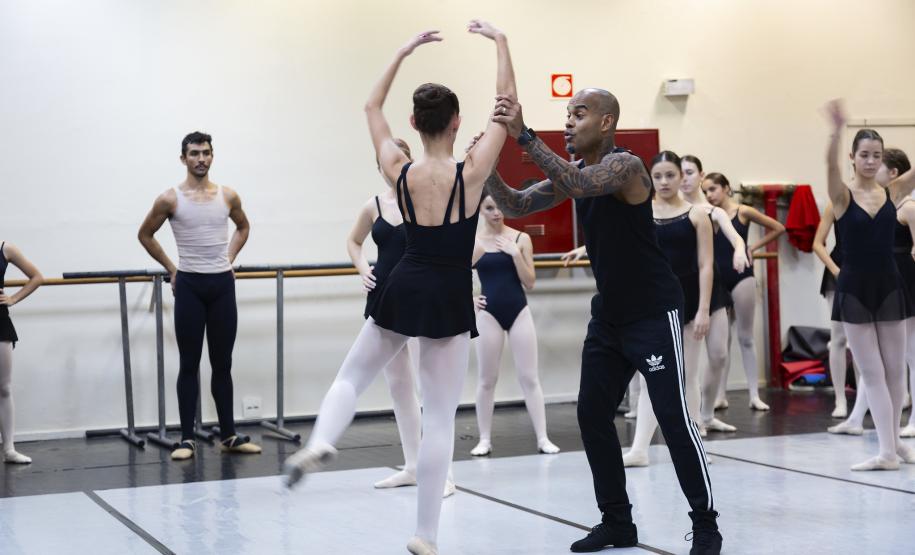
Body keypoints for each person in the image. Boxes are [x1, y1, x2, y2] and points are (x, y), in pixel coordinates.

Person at [283, 21, 515, 555]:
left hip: (402, 281)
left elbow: (370, 107)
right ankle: (425, 535)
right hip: (450, 290)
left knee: (351, 377)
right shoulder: (472, 172)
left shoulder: (398, 171)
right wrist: (501, 43)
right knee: (438, 419)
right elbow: (506, 102)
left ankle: (321, 441)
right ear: (457, 124)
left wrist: (403, 51)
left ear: (414, 122)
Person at [487, 89, 721, 554]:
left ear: (608, 121)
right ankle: (617, 522)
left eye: (579, 114)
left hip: (654, 313)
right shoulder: (576, 174)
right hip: (610, 318)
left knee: (675, 421)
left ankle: (707, 525)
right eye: (566, 115)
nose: (569, 122)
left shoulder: (628, 167)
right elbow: (514, 204)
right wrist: (487, 163)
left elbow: (578, 185)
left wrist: (526, 136)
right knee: (592, 415)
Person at [138, 131, 261, 460]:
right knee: (189, 364)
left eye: (206, 153)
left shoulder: (228, 195)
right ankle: (187, 439)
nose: (201, 159)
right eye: (194, 153)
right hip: (190, 286)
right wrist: (171, 268)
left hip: (221, 286)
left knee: (223, 364)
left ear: (212, 156)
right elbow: (145, 234)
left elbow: (243, 227)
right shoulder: (170, 199)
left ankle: (229, 435)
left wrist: (229, 258)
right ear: (183, 159)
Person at [345, 138, 455, 495]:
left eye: (400, 160)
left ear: (411, 163)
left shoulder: (427, 201)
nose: (392, 167)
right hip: (386, 299)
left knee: (430, 388)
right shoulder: (373, 205)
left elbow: (460, 244)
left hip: (422, 299)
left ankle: (441, 473)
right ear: (379, 168)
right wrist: (363, 269)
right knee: (399, 386)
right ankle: (411, 465)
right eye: (385, 162)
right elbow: (354, 241)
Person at [622, 151, 734, 468]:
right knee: (649, 377)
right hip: (653, 304)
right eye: (657, 176)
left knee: (687, 377)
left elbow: (706, 265)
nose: (665, 181)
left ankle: (696, 442)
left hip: (689, 303)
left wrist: (703, 311)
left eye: (671, 175)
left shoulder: (697, 215)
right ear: (650, 179)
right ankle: (640, 448)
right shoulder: (641, 213)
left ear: (681, 177)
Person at [823, 100, 915, 470]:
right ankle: (887, 452)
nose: (871, 161)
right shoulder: (843, 196)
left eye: (877, 155)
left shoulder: (891, 193)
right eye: (864, 155)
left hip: (890, 288)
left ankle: (892, 447)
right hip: (855, 290)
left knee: (896, 371)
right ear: (853, 157)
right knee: (873, 373)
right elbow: (829, 167)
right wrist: (835, 129)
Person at [469, 195, 559, 457]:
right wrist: (470, 298)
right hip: (489, 314)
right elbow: (454, 274)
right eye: (489, 208)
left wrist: (515, 254)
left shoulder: (521, 239)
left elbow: (530, 282)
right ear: (481, 211)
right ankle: (484, 439)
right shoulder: (475, 243)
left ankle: (543, 438)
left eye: (500, 207)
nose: (496, 213)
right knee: (487, 379)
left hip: (519, 311)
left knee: (529, 377)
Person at [702, 172, 785, 411]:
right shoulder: (708, 215)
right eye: (706, 191)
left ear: (727, 188)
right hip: (717, 278)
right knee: (721, 341)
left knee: (746, 338)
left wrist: (753, 247)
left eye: (713, 189)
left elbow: (778, 227)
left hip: (741, 276)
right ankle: (719, 395)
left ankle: (754, 395)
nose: (709, 195)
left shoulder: (743, 211)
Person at [679, 155, 750, 431]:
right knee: (690, 366)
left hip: (714, 287)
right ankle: (692, 421)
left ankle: (707, 414)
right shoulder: (671, 210)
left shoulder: (712, 211)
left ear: (700, 175)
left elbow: (736, 236)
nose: (684, 178)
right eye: (680, 173)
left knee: (719, 355)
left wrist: (740, 250)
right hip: (684, 290)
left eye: (689, 172)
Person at [0, 241, 43, 464]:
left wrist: (14, 298)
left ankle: (9, 449)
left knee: (4, 387)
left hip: (0, 323)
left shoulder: (6, 249)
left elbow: (37, 277)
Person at [813, 201, 851, 419]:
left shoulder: (881, 199)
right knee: (839, 337)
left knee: (863, 342)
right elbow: (818, 243)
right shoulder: (838, 203)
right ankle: (840, 398)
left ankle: (865, 400)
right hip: (841, 269)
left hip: (870, 270)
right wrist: (836, 270)